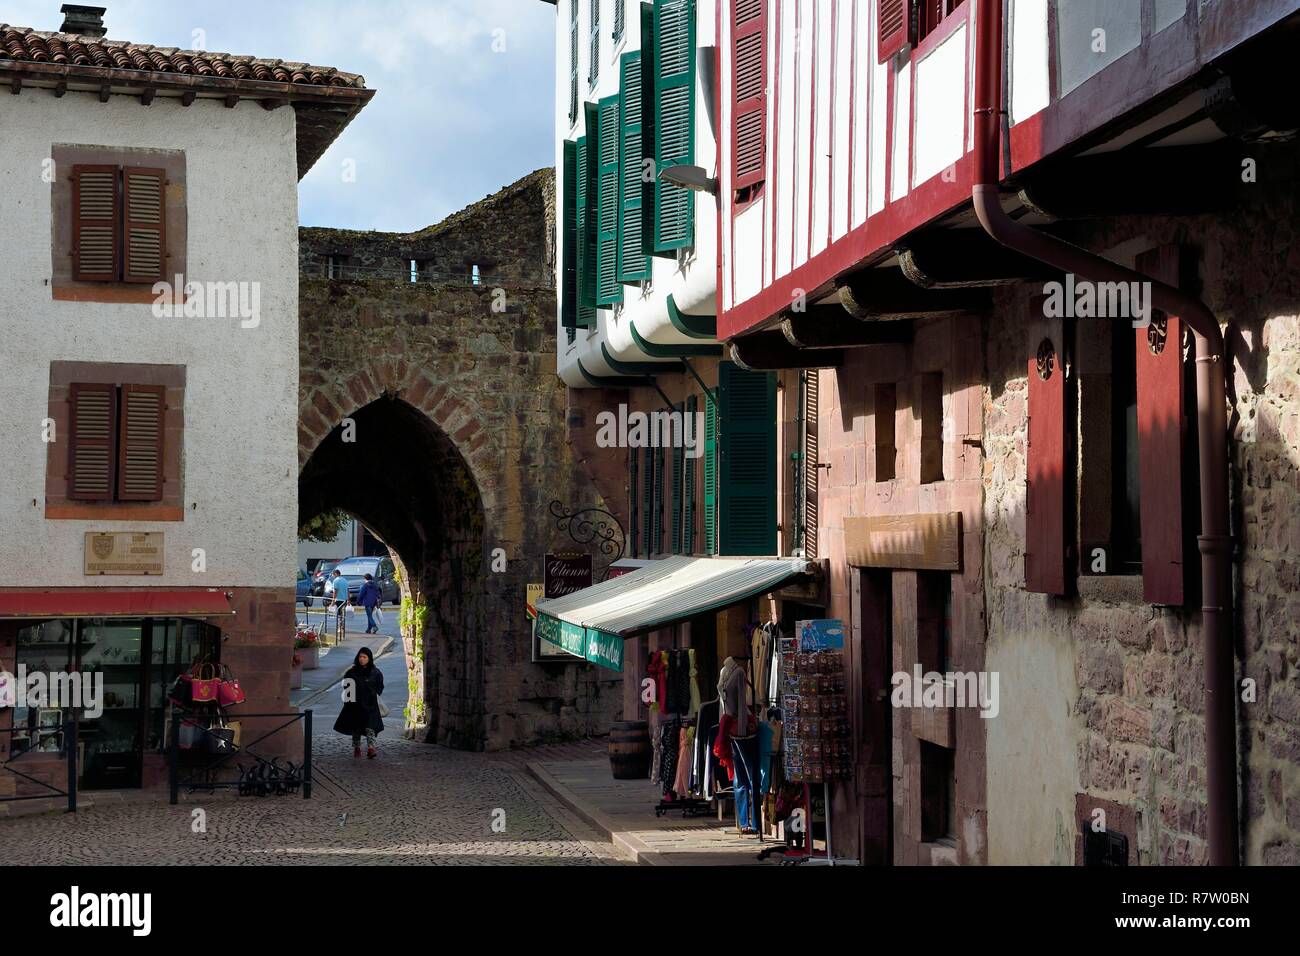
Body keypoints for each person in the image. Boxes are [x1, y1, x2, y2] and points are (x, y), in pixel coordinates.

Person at [333, 647, 384, 758]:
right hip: (355, 705)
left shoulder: (375, 672)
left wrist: (374, 694)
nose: (362, 659)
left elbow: (380, 686)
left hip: (370, 705)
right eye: (360, 656)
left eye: (364, 657)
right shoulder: (352, 672)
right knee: (356, 728)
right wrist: (349, 701)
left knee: (370, 727)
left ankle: (371, 749)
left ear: (369, 658)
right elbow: (346, 686)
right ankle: (357, 748)